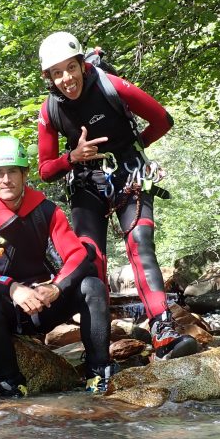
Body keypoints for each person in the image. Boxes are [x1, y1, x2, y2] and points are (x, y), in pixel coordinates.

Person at [36, 31, 198, 361]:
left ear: (82, 65)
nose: (66, 78)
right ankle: (99, 353)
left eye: (70, 68)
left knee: (140, 243)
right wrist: (73, 157)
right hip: (85, 177)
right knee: (90, 258)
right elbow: (45, 169)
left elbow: (162, 119)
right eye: (57, 73)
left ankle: (163, 331)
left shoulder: (112, 85)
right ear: (48, 78)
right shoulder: (50, 110)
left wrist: (134, 149)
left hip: (131, 172)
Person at [0, 136, 114, 397]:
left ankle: (98, 374)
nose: (5, 180)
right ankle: (11, 383)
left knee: (92, 286)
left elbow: (77, 255)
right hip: (5, 307)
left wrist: (57, 287)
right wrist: (12, 288)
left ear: (25, 173)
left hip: (45, 301)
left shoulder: (47, 210)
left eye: (12, 171)